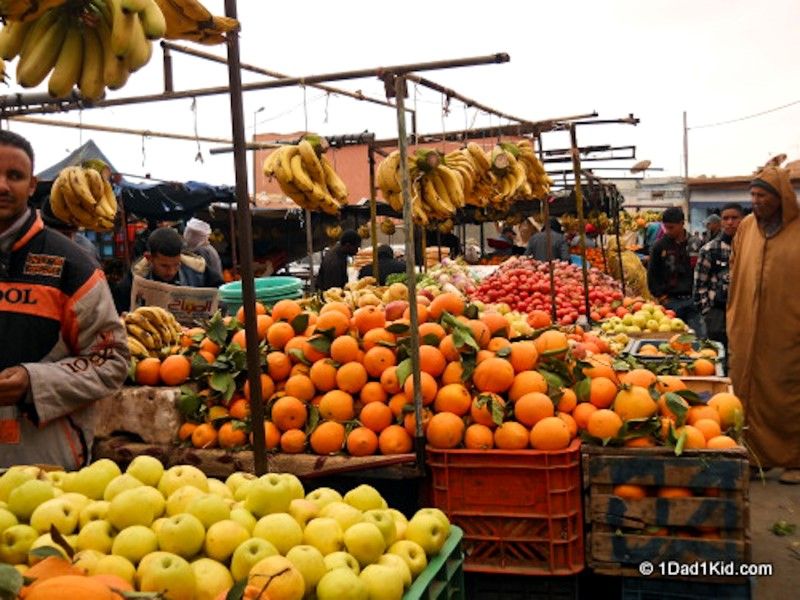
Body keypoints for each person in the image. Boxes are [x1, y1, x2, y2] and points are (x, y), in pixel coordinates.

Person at [0, 130, 128, 469]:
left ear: (32, 185)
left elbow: (112, 360)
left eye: (14, 176)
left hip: (45, 461)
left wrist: (34, 381)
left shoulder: (72, 265)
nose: (2, 185)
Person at [727, 167, 800, 483]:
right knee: (747, 390)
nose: (755, 201)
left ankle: (795, 460)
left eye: (762, 196)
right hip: (746, 324)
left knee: (787, 393)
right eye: (753, 195)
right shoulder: (746, 228)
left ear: (780, 198)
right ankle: (758, 456)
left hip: (787, 327)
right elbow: (735, 270)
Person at [113, 226, 224, 313]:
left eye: (176, 265)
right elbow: (119, 309)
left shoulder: (198, 270)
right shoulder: (133, 279)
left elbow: (222, 293)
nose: (171, 271)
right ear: (149, 258)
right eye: (164, 266)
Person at [647, 207, 705, 336]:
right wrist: (661, 297)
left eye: (671, 227)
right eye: (666, 227)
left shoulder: (696, 244)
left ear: (682, 223)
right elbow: (652, 274)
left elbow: (704, 272)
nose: (668, 231)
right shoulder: (659, 246)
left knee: (699, 338)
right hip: (671, 301)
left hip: (694, 301)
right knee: (673, 339)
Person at [693, 203, 744, 348]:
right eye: (725, 218)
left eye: (734, 218)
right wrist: (707, 312)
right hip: (717, 312)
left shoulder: (750, 247)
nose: (730, 222)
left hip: (744, 312)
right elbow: (699, 285)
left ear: (743, 219)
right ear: (721, 221)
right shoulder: (710, 249)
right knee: (718, 354)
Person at [39, 196, 101, 264]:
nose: (68, 240)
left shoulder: (87, 251)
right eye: (62, 234)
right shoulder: (33, 248)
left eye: (71, 233)